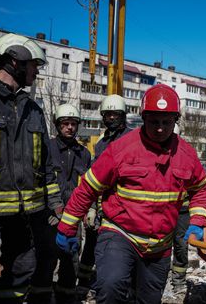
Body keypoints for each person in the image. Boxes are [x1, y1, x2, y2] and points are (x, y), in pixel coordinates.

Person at [57, 84, 206, 304]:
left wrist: (197, 219)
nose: (160, 128)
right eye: (154, 121)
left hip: (159, 246)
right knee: (111, 287)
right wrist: (67, 227)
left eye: (166, 122)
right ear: (143, 117)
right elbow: (88, 188)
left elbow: (201, 188)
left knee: (148, 299)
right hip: (120, 233)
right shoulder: (121, 149)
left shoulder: (186, 154)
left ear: (175, 121)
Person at [0, 32, 61, 303]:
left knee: (21, 274)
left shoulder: (33, 109)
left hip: (23, 215)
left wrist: (55, 202)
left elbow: (44, 162)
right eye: (34, 64)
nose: (36, 71)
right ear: (15, 60)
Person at [28, 104, 92, 303]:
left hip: (74, 215)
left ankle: (66, 296)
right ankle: (40, 297)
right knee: (47, 257)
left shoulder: (84, 153)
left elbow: (89, 184)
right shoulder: (47, 147)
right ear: (57, 125)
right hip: (49, 214)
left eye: (73, 124)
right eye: (65, 123)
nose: (70, 127)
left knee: (71, 257)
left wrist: (90, 209)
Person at [77, 93, 132, 291]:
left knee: (119, 250)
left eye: (115, 115)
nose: (111, 119)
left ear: (123, 115)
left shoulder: (133, 139)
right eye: (107, 115)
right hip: (102, 207)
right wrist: (91, 207)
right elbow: (94, 177)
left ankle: (120, 286)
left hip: (125, 207)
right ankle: (85, 280)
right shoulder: (101, 144)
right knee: (92, 244)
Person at [169, 123, 191, 294]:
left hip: (182, 212)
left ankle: (179, 280)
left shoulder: (186, 155)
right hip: (162, 211)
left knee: (181, 246)